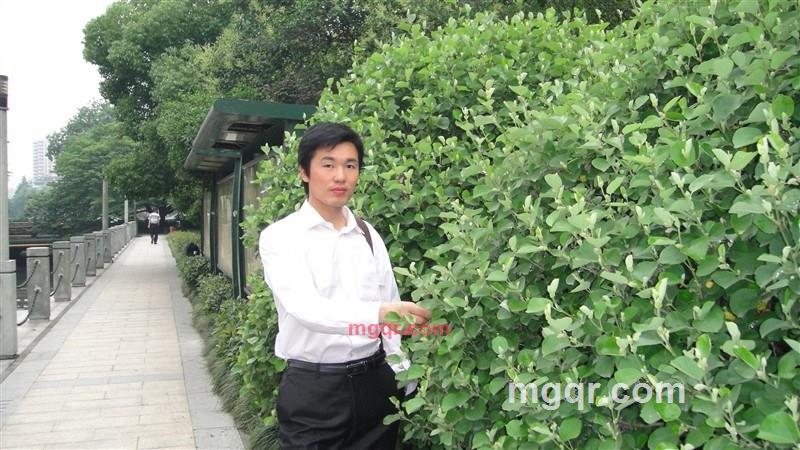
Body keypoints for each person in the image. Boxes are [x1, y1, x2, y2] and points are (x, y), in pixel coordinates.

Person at [259, 122, 431, 449]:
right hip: (315, 392)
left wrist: (399, 371)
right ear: (304, 172)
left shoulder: (367, 234)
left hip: (377, 385)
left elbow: (390, 303)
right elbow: (308, 310)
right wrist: (380, 313)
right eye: (328, 165)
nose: (340, 176)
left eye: (350, 166)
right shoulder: (281, 237)